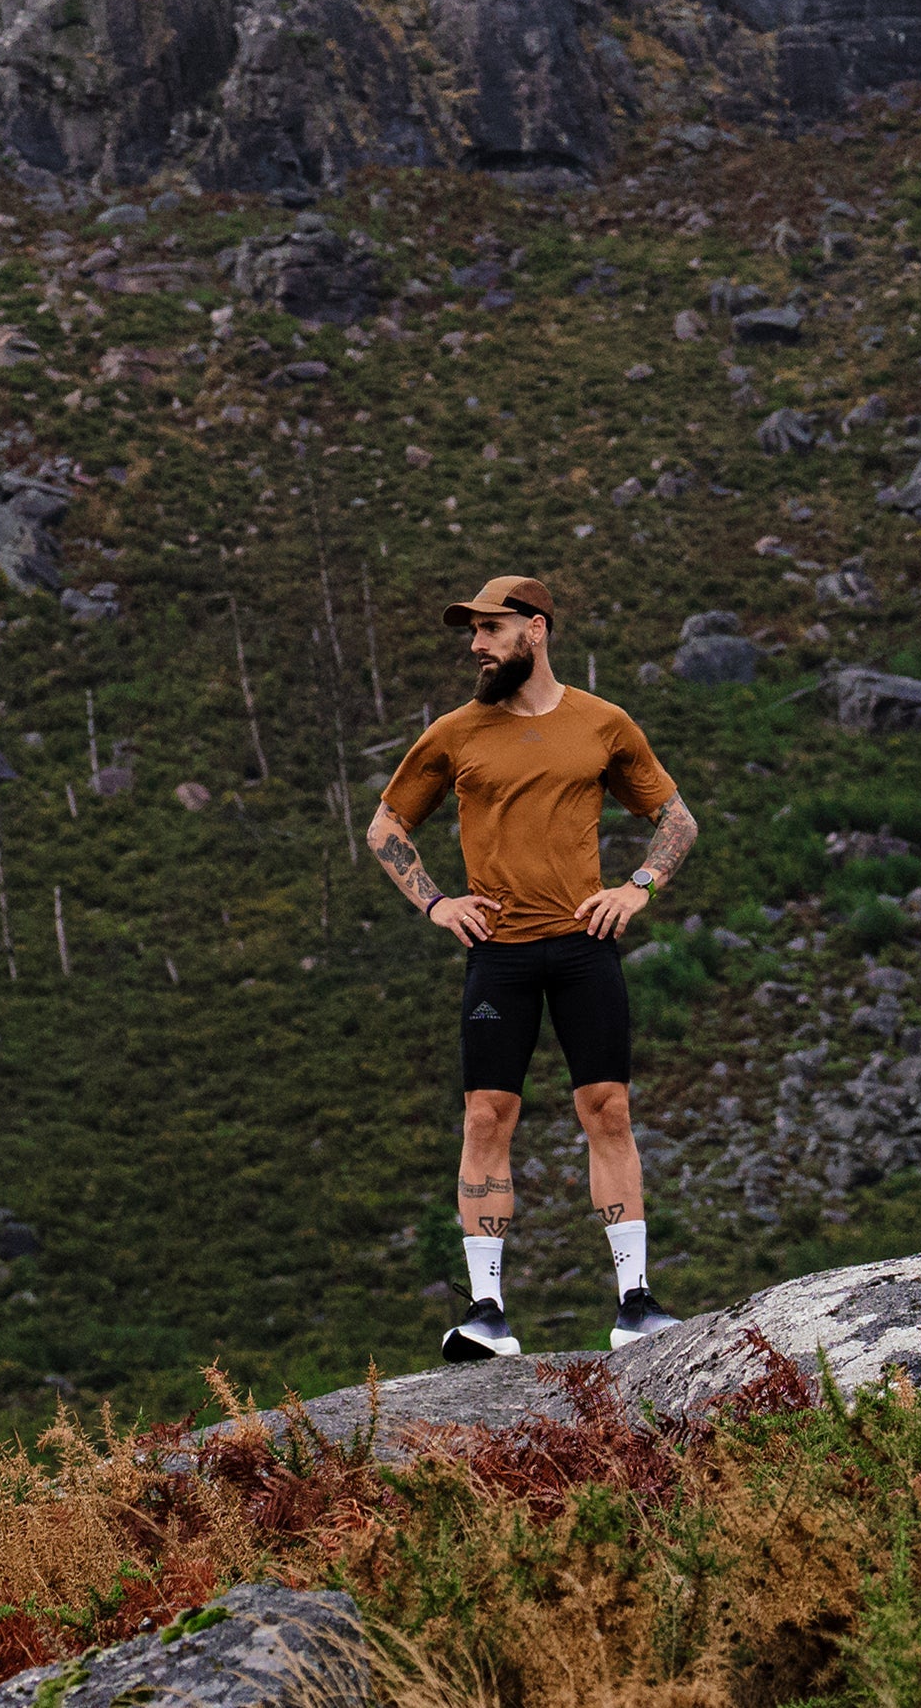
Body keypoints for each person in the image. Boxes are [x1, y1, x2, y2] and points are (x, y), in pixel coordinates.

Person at [366, 576, 699, 1362]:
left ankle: (635, 1305)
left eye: (489, 629)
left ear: (536, 630)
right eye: (472, 632)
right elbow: (386, 825)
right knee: (487, 1116)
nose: (475, 645)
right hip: (499, 955)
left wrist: (638, 886)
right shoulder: (455, 733)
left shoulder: (603, 723)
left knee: (607, 1108)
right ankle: (486, 1313)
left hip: (584, 945)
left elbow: (676, 819)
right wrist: (437, 903)